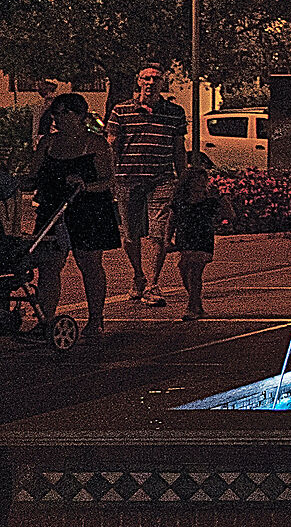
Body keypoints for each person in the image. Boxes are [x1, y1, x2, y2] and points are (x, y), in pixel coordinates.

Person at [28, 94, 117, 340]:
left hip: (87, 209)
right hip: (53, 207)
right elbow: (33, 174)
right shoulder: (48, 143)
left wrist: (85, 186)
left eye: (63, 113)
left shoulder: (96, 144)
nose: (57, 118)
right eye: (55, 113)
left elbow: (108, 180)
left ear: (78, 116)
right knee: (49, 264)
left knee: (89, 263)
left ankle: (96, 319)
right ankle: (45, 319)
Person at [104, 64, 187, 307]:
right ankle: (138, 275)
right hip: (127, 179)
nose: (150, 83)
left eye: (156, 79)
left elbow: (178, 148)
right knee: (130, 235)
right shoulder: (121, 111)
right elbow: (112, 146)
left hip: (161, 180)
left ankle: (152, 283)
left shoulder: (174, 112)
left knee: (158, 233)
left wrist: (182, 179)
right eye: (146, 78)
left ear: (163, 83)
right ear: (138, 81)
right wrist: (108, 176)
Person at [167, 157, 223, 320]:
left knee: (195, 271)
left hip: (202, 239)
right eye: (197, 180)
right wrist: (167, 239)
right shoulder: (180, 201)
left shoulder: (209, 201)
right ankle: (196, 303)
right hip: (185, 239)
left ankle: (191, 306)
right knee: (184, 268)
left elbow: (229, 214)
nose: (200, 183)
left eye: (203, 180)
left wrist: (219, 197)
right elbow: (172, 220)